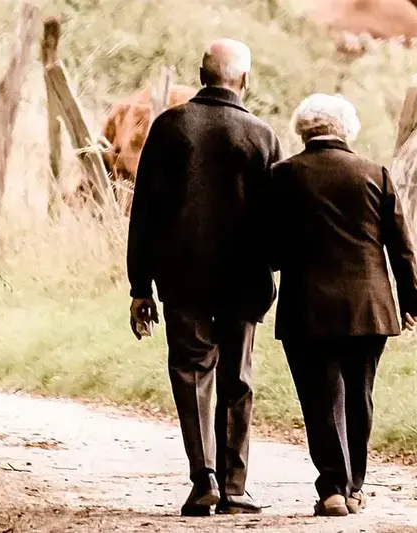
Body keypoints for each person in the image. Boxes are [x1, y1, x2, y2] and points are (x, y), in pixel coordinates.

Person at [126, 38, 283, 517]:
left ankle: (204, 479)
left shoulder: (170, 126)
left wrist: (140, 286)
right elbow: (275, 218)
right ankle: (235, 487)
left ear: (200, 75)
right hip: (244, 278)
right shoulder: (261, 136)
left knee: (192, 372)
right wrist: (274, 269)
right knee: (237, 377)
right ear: (245, 80)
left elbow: (144, 211)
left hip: (182, 276)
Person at [267, 94, 417, 517]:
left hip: (307, 307)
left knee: (320, 398)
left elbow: (271, 249)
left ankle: (333, 489)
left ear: (302, 130)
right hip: (369, 306)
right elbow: (401, 246)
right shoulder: (375, 174)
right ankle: (354, 487)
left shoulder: (282, 175)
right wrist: (410, 300)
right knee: (359, 395)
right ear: (347, 129)